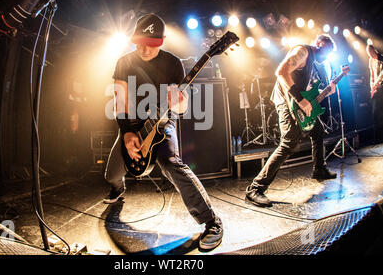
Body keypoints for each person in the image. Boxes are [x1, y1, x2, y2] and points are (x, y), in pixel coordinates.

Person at [103, 13, 223, 250]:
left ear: (162, 41)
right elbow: (120, 101)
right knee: (111, 174)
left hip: (162, 121)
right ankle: (118, 187)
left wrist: (179, 101)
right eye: (140, 44)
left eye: (152, 45)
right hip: (131, 122)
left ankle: (211, 221)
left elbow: (182, 107)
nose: (145, 50)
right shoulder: (123, 62)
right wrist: (128, 133)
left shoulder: (172, 63)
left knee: (170, 162)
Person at [245, 34, 338, 207]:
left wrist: (325, 92)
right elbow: (281, 72)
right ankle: (255, 189)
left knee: (317, 130)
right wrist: (300, 100)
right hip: (285, 102)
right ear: (318, 44)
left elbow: (304, 88)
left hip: (296, 102)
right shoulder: (302, 51)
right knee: (288, 143)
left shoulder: (311, 63)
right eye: (326, 51)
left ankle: (319, 169)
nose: (326, 57)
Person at [366, 44, 383, 143]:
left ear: (374, 51)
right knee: (376, 112)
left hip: (382, 85)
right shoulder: (371, 61)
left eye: (371, 52)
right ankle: (378, 136)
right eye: (368, 54)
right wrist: (371, 87)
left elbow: (382, 75)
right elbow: (371, 75)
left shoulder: (382, 59)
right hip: (376, 88)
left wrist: (376, 84)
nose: (370, 55)